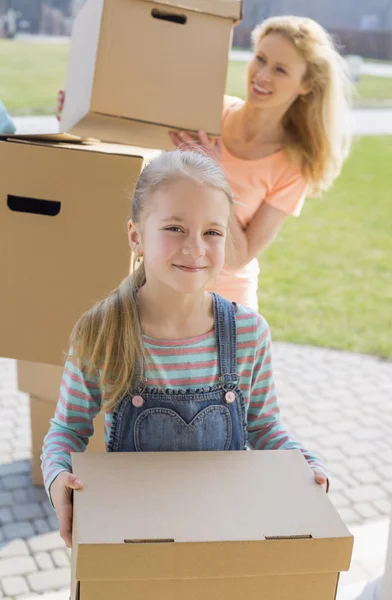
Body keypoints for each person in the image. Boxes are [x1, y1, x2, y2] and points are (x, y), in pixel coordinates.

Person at [41, 150, 328, 548]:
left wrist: (304, 463)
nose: (196, 247)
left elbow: (263, 427)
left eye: (213, 232)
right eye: (175, 228)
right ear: (135, 236)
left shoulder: (249, 333)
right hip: (135, 540)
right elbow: (66, 430)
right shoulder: (100, 332)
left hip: (223, 537)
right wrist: (58, 478)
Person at [169, 16, 353, 310]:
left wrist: (214, 176)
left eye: (280, 70)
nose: (262, 75)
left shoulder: (293, 166)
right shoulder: (208, 113)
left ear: (306, 85)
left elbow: (239, 256)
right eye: (261, 59)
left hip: (224, 304)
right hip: (163, 287)